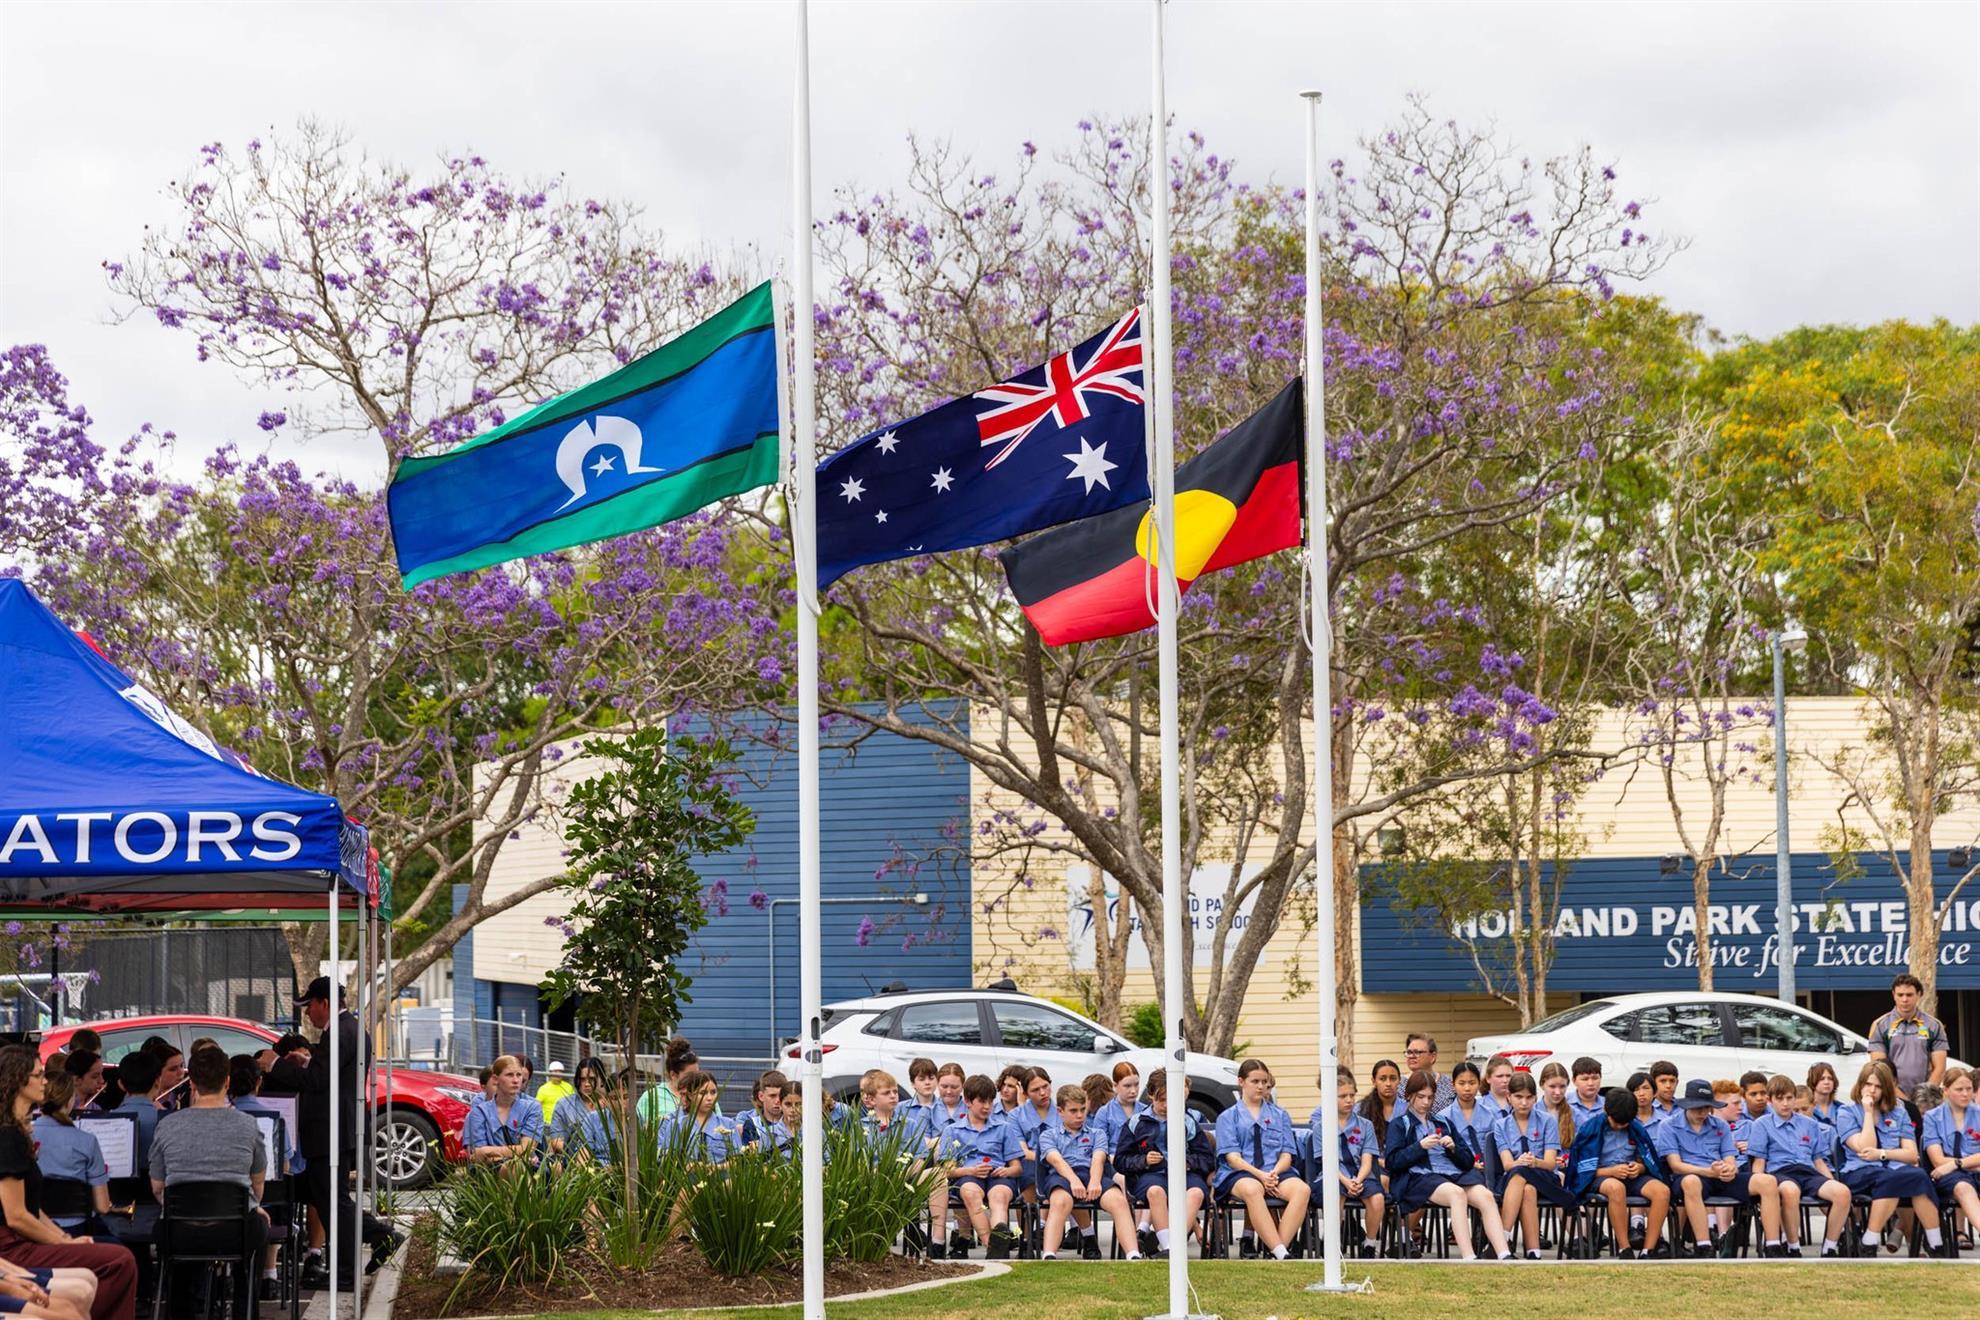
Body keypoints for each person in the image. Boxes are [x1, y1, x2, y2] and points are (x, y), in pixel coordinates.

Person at [267, 976, 399, 1290]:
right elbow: (329, 1072)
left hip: (331, 1131)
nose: (307, 1013)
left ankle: (360, 1257)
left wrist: (275, 1065)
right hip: (337, 1128)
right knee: (329, 1200)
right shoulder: (349, 1029)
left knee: (333, 1202)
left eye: (309, 1005)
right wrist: (309, 1060)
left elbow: (318, 1081)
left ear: (324, 1003)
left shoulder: (339, 1032)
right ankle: (371, 1243)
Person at [0, 1049, 138, 1320]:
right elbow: (16, 1217)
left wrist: (65, 1239)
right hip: (11, 1246)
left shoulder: (16, 1132)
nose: (44, 1082)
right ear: (17, 1080)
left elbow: (33, 1209)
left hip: (20, 1239)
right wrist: (66, 1244)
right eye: (38, 1075)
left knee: (117, 1258)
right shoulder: (8, 1137)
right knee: (121, 1260)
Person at [149, 1048, 268, 1320]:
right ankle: (245, 1311)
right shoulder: (248, 1125)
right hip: (235, 1230)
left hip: (179, 1231)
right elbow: (257, 1183)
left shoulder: (167, 1125)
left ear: (191, 1082)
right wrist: (253, 1206)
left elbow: (157, 1186)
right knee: (259, 1228)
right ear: (227, 1081)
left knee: (175, 1249)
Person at [1385, 1069, 1509, 1262]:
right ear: (1409, 1096)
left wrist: (1453, 1148)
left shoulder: (1443, 1121)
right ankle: (1469, 1257)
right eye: (1420, 1097)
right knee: (1456, 1194)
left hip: (1453, 1174)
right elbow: (1393, 1162)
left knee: (1485, 1196)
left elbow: (1467, 1160)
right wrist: (1419, 1147)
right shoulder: (1400, 1124)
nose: (1426, 1102)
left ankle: (1504, 1254)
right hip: (1420, 1177)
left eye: (1430, 1097)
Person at [1837, 1059, 1945, 1255]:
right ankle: (1870, 1239)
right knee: (1895, 1178)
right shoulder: (1846, 1112)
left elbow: (1912, 1155)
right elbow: (1864, 1148)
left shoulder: (1899, 1112)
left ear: (1887, 1088)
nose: (1872, 1090)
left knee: (1919, 1176)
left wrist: (1883, 1154)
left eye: (1878, 1086)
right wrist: (1868, 1114)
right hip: (1859, 1171)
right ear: (1860, 1085)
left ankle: (1935, 1242)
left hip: (1893, 1170)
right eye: (1868, 1084)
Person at [1748, 1073, 1852, 1258]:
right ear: (1771, 1101)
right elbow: (1759, 1162)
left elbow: (1818, 1160)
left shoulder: (1810, 1124)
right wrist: (1760, 1186)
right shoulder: (1761, 1124)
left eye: (1789, 1098)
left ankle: (1830, 1246)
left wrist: (1830, 1180)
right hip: (1780, 1172)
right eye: (1780, 1099)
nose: (1785, 1103)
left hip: (1808, 1171)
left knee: (1842, 1192)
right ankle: (1793, 1245)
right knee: (1790, 1191)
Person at [1214, 1060, 1309, 1260]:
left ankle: (1278, 1250)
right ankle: (1280, 1251)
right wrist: (1261, 1176)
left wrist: (1273, 1173)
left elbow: (1286, 1154)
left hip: (1275, 1171)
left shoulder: (1280, 1115)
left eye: (1264, 1082)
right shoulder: (1228, 1117)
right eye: (1254, 1081)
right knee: (1253, 1188)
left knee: (1302, 1189)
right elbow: (1233, 1158)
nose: (1260, 1086)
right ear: (1241, 1082)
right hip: (1241, 1173)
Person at [1037, 1085, 1139, 1261]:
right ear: (1060, 1111)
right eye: (1073, 1111)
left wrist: (1094, 1181)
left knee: (1119, 1201)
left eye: (1083, 1110)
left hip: (1091, 1173)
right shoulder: (1048, 1135)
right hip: (1061, 1176)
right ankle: (1049, 1254)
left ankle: (1133, 1254)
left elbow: (1098, 1159)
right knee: (1060, 1202)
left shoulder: (1097, 1133)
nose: (1079, 1115)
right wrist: (1074, 1181)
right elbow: (1056, 1161)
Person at [1116, 1070, 1210, 1260]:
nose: (1167, 1106)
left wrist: (1189, 1162)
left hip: (1185, 1175)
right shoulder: (1136, 1122)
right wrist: (1143, 1161)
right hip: (1151, 1175)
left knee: (1196, 1193)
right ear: (1151, 1095)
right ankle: (1169, 1246)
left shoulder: (1188, 1121)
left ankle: (1173, 1247)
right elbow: (1121, 1160)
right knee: (1155, 1192)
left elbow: (1207, 1158)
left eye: (1171, 1099)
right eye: (1161, 1100)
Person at [1567, 1086, 1669, 1259]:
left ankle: (1649, 1249)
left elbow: (1646, 1159)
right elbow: (1580, 1168)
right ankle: (1624, 1247)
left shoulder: (1636, 1127)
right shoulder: (1590, 1129)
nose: (1621, 1126)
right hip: (1600, 1176)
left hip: (1631, 1175)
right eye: (1617, 1122)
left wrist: (1640, 1168)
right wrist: (1611, 1171)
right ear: (1607, 1111)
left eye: (1625, 1123)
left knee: (1662, 1191)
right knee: (1616, 1188)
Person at [229, 1057, 298, 1302]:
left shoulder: (222, 1118)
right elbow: (286, 1166)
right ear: (258, 1082)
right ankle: (269, 1273)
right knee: (277, 1195)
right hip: (265, 1204)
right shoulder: (274, 1118)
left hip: (223, 1206)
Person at [1657, 1078, 1749, 1258]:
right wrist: (1709, 1172)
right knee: (1692, 1182)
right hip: (1688, 1176)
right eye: (1698, 1107)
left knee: (1766, 1181)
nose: (1703, 1112)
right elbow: (1675, 1166)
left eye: (1707, 1107)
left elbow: (1730, 1158)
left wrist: (1730, 1169)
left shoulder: (1720, 1124)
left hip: (1718, 1174)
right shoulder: (1668, 1126)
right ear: (1686, 1106)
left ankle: (1776, 1245)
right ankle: (1704, 1244)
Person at [936, 1075, 1023, 1259]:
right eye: (982, 1102)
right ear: (967, 1101)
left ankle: (1000, 1235)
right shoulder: (953, 1131)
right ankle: (993, 1245)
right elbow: (947, 1170)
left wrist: (1007, 1170)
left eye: (991, 1102)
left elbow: (1017, 1167)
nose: (987, 1107)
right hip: (968, 1175)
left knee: (999, 1196)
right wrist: (971, 1171)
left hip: (999, 1175)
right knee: (970, 1193)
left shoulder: (1004, 1127)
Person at [1496, 1071, 1573, 1261]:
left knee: (1522, 1173)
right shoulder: (1500, 1125)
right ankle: (1533, 1252)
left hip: (1545, 1178)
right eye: (1518, 1097)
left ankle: (1502, 1238)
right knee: (1526, 1186)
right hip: (1516, 1179)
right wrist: (1520, 1162)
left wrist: (1534, 1162)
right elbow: (1507, 1165)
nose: (1524, 1103)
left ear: (1535, 1097)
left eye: (1529, 1097)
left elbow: (1549, 1163)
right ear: (1509, 1097)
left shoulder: (1547, 1121)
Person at [1311, 1067, 1383, 1259]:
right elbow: (1326, 1162)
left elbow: (1368, 1160)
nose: (1349, 1100)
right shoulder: (1321, 1127)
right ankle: (1333, 1242)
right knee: (1334, 1193)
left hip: (1360, 1174)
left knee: (1377, 1199)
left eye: (1352, 1095)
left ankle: (1369, 1243)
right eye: (1343, 1096)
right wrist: (1345, 1181)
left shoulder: (1365, 1125)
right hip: (1334, 1174)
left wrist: (1358, 1180)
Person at [30, 1077, 111, 1239]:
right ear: (70, 1101)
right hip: (76, 1230)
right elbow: (102, 1206)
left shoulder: (23, 1135)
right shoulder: (87, 1141)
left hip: (33, 1228)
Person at [1867, 972, 1949, 1115]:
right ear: (1893, 995)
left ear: (1919, 994)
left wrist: (1923, 1098)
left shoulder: (1934, 1025)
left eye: (1909, 995)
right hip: (1891, 1098)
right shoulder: (1880, 1025)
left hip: (1926, 1103)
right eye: (1900, 995)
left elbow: (1940, 1067)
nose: (1904, 999)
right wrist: (1903, 1100)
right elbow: (1880, 1069)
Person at [1922, 1066, 1980, 1244]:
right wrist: (1969, 1163)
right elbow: (1937, 1160)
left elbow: (1949, 1162)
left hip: (1962, 1169)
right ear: (1946, 1091)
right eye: (1959, 1089)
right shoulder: (1932, 1117)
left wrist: (1957, 1163)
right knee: (1963, 1187)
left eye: (1969, 1089)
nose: (1965, 1094)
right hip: (1947, 1176)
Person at [463, 1055, 543, 1167]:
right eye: (509, 1075)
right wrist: (515, 1155)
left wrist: (487, 1151)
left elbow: (527, 1149)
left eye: (519, 1075)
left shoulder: (533, 1108)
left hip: (525, 1172)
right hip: (489, 1172)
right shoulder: (479, 1112)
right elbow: (477, 1157)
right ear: (496, 1079)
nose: (516, 1080)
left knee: (515, 1167)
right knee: (512, 1167)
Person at [100, 1055, 164, 1184]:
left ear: (121, 1085)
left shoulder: (102, 1121)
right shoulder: (168, 1120)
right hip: (157, 1192)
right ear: (158, 1082)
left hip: (114, 1195)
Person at [547, 1059, 614, 1164]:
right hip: (572, 1162)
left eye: (592, 1079)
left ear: (602, 1079)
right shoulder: (564, 1105)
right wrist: (580, 1153)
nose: (586, 1084)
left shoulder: (613, 1104)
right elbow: (556, 1141)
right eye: (582, 1079)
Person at [1437, 1062, 1493, 1185]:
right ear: (1453, 1085)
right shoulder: (1443, 1117)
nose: (1467, 1088)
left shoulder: (1490, 1114)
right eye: (1461, 1083)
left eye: (1472, 1083)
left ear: (1479, 1083)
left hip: (1490, 1169)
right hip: (1460, 1170)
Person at [635, 1039, 697, 1127]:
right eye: (690, 1075)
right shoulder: (651, 1097)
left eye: (697, 1074)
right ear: (673, 1075)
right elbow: (638, 1130)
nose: (696, 1078)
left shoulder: (704, 1094)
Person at [734, 1071, 787, 1152]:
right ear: (761, 1096)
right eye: (772, 1096)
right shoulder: (752, 1125)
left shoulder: (795, 1122)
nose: (777, 1101)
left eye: (781, 1096)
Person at [1401, 1036, 1456, 1113]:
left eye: (1417, 1052)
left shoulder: (1448, 1084)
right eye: (1409, 1052)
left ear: (1432, 1057)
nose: (1411, 1056)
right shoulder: (1399, 1085)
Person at [1360, 1059, 1402, 1129]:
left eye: (1393, 1079)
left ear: (1399, 1081)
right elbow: (1355, 1138)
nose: (1388, 1084)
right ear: (1374, 1081)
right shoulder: (1361, 1108)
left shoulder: (1407, 1108)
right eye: (1382, 1079)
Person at [900, 1059, 939, 1130]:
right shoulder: (901, 1108)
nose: (927, 1082)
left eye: (931, 1078)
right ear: (913, 1083)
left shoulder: (943, 1107)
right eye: (922, 1079)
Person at [1567, 1057, 1605, 1130]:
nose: (1590, 1083)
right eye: (1585, 1079)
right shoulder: (1564, 1103)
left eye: (1595, 1078)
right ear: (1574, 1080)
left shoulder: (1607, 1105)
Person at [534, 1062, 574, 1129]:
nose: (557, 1074)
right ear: (550, 1073)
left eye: (560, 1071)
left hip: (565, 1125)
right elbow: (536, 1106)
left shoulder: (568, 1087)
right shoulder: (543, 1089)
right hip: (548, 1125)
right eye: (555, 1071)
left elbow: (573, 1104)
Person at [1476, 1056, 1514, 1128]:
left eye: (1508, 1076)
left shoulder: (1520, 1103)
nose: (1505, 1080)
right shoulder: (1479, 1107)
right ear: (1488, 1078)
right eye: (1500, 1076)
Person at [1806, 1062, 1842, 1126]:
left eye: (1830, 1078)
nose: (1826, 1082)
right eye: (1822, 1079)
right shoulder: (1805, 1108)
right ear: (1812, 1081)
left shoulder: (1841, 1108)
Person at [932, 1064, 967, 1128]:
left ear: (963, 1086)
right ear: (937, 1084)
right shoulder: (928, 1111)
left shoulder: (972, 1110)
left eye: (954, 1087)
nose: (949, 1091)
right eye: (944, 1087)